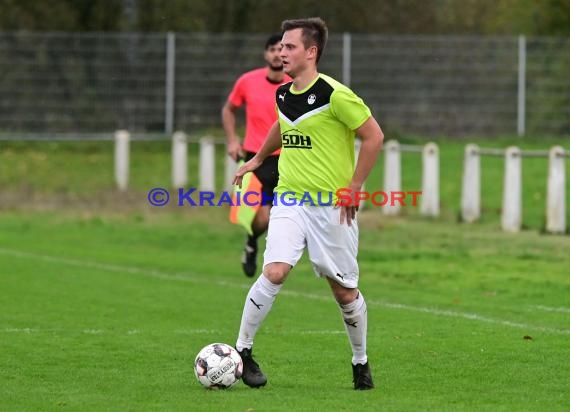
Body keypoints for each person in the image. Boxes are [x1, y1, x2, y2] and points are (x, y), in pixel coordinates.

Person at [232, 17, 384, 390]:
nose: (282, 52)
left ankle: (360, 361)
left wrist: (355, 186)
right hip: (290, 199)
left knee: (344, 291)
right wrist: (257, 159)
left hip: (332, 208)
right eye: (281, 46)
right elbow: (282, 126)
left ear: (311, 52)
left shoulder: (335, 95)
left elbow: (374, 136)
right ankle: (242, 353)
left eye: (289, 46)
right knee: (276, 271)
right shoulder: (283, 93)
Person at [222, 34, 292, 278]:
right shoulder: (247, 81)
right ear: (266, 54)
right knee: (261, 215)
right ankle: (252, 243)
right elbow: (229, 110)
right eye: (272, 49)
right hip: (255, 158)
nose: (276, 53)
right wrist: (232, 140)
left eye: (281, 49)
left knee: (284, 214)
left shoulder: (296, 85)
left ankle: (277, 261)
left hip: (289, 159)